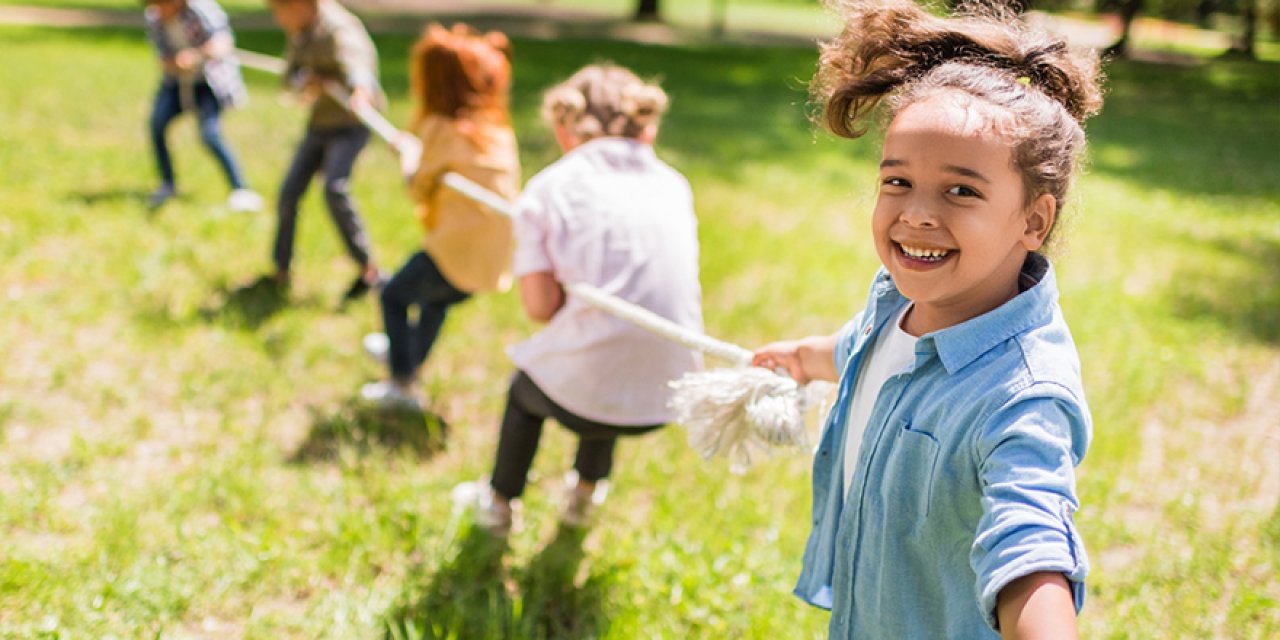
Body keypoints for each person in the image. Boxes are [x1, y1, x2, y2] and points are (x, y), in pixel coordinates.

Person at [750, 1, 1104, 637]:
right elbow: (865, 348)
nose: (916, 213)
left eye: (961, 190)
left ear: (1034, 220)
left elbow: (1030, 541)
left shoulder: (1022, 397)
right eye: (897, 182)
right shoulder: (898, 301)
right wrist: (805, 358)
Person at [455, 63, 704, 536]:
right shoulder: (675, 183)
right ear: (646, 126)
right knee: (608, 346)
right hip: (668, 391)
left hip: (592, 394)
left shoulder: (550, 187)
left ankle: (499, 504)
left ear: (565, 128)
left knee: (526, 390)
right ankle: (584, 496)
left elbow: (540, 308)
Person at [358, 23, 521, 410]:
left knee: (395, 295)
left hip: (457, 250)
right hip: (494, 256)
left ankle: (402, 385)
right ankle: (408, 356)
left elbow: (418, 185)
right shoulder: (496, 129)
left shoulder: (441, 127)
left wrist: (407, 156)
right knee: (436, 301)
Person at [266, 0, 385, 299]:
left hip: (350, 124)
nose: (277, 20)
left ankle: (370, 270)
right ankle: (280, 269)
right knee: (289, 192)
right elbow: (289, 77)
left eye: (279, 12)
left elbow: (357, 61)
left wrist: (361, 90)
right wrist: (306, 81)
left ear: (299, 6)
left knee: (334, 189)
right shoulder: (301, 31)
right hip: (320, 123)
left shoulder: (337, 28)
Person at [143, 0, 262, 212]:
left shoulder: (201, 9)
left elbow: (223, 42)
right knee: (157, 125)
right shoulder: (154, 18)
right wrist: (175, 63)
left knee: (210, 135)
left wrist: (196, 56)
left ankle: (240, 188)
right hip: (176, 82)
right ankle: (168, 184)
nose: (160, 11)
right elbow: (162, 58)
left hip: (210, 81)